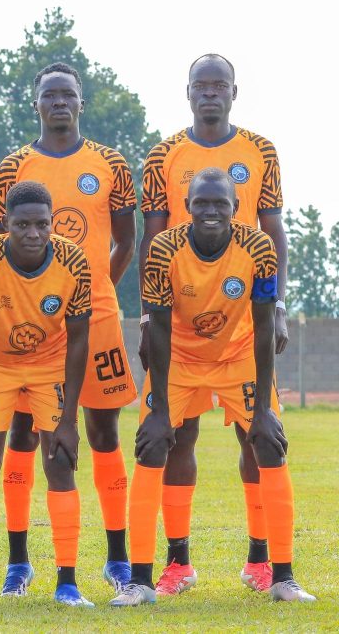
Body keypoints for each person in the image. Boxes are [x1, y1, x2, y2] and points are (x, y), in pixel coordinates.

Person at [112, 168, 314, 605]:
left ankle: (282, 576)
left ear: (235, 208)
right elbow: (158, 328)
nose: (210, 210)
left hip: (238, 356)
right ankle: (141, 581)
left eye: (219, 203)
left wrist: (264, 408)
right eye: (201, 202)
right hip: (180, 359)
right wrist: (159, 410)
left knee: (269, 444)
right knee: (151, 446)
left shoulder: (257, 247)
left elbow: (264, 325)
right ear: (187, 207)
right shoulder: (164, 249)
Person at [138, 54, 289, 595]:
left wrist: (279, 306)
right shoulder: (162, 155)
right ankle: (177, 564)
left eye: (218, 85)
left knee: (258, 437)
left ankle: (261, 562)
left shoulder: (261, 150)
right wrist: (147, 315)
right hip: (179, 324)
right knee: (176, 438)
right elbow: (151, 237)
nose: (209, 93)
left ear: (233, 92)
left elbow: (273, 229)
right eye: (200, 85)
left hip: (243, 321)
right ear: (187, 92)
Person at [0, 62, 137, 595]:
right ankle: (18, 560)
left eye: (67, 94)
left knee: (103, 431)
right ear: (36, 104)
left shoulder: (111, 163)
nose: (58, 102)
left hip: (96, 317)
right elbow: (3, 246)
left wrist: (93, 290)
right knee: (23, 433)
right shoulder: (13, 166)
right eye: (49, 94)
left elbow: (126, 240)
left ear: (81, 101)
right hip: (29, 321)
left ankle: (117, 558)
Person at [0, 181, 93, 606]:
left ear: (52, 222)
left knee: (60, 461)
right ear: (6, 222)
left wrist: (69, 420)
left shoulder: (73, 260)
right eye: (23, 224)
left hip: (50, 364)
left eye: (41, 224)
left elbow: (79, 340)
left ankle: (67, 583)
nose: (33, 233)